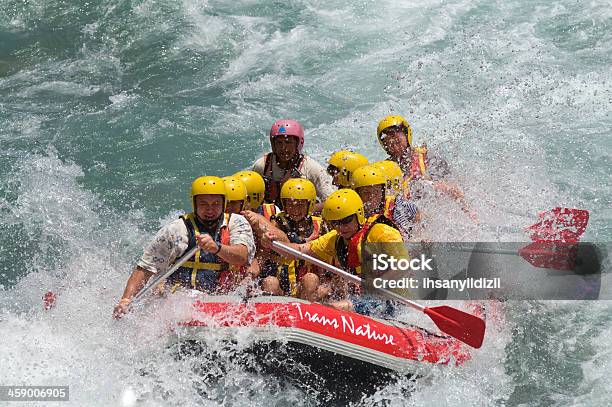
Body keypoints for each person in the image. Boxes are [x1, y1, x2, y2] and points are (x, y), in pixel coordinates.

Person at [113, 176, 256, 318]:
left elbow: (242, 257)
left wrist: (217, 248)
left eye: (216, 203)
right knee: (164, 292)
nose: (210, 210)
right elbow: (146, 268)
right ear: (194, 204)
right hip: (181, 299)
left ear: (224, 203)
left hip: (225, 299)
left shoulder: (237, 223)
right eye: (204, 204)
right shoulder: (176, 230)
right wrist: (126, 300)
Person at [263, 189, 407, 315]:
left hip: (391, 299)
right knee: (327, 303)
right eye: (335, 223)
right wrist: (273, 244)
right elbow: (300, 250)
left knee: (331, 308)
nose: (341, 227)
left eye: (346, 221)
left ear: (359, 214)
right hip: (362, 298)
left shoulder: (381, 232)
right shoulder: (335, 239)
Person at [376, 115, 475, 217]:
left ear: (407, 135)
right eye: (390, 143)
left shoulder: (428, 158)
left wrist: (431, 186)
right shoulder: (385, 170)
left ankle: (471, 216)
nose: (395, 146)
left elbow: (454, 188)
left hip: (434, 210)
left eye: (397, 140)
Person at [257, 178, 328, 301]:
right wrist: (265, 240)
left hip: (306, 287)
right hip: (281, 287)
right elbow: (266, 243)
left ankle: (307, 315)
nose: (295, 209)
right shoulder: (277, 222)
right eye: (290, 204)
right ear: (284, 205)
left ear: (310, 204)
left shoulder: (321, 226)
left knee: (311, 279)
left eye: (300, 204)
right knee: (270, 282)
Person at [251, 119, 334, 212]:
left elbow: (331, 201)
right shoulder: (262, 165)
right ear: (273, 144)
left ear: (298, 143)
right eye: (279, 143)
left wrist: (305, 211)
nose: (283, 148)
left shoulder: (311, 168)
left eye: (288, 142)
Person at [350, 165, 418, 240]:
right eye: (366, 193)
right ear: (357, 194)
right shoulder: (352, 213)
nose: (371, 196)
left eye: (375, 192)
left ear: (382, 191)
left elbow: (418, 215)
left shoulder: (396, 206)